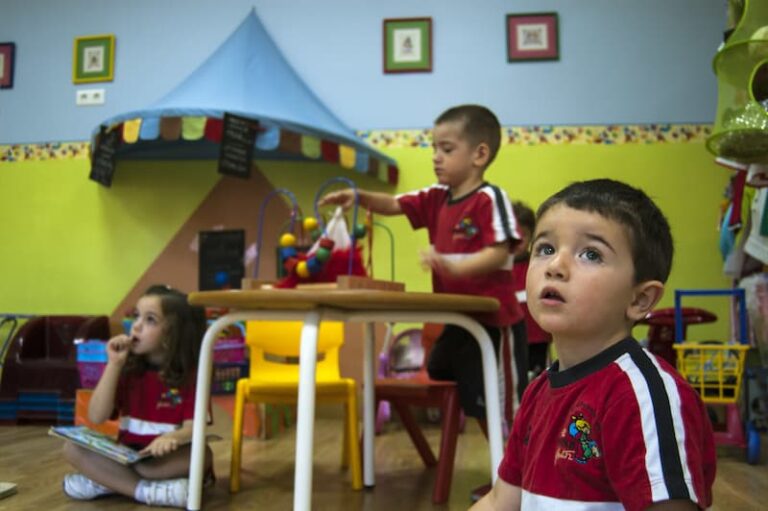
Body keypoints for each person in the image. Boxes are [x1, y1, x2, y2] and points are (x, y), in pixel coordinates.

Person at [472, 179, 716, 510]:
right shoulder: (537, 392)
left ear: (640, 298)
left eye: (591, 254)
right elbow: (501, 500)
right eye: (545, 248)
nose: (556, 266)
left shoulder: (639, 395)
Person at [319, 104, 528, 431]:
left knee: (504, 410)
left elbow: (500, 251)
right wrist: (358, 197)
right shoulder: (436, 197)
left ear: (479, 155)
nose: (435, 157)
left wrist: (456, 268)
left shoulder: (490, 198)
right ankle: (501, 475)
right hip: (458, 321)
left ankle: (519, 480)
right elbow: (392, 203)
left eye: (446, 149)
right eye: (433, 148)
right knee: (458, 383)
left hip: (494, 323)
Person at [61, 285, 212, 508]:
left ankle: (109, 481)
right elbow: (96, 416)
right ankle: (146, 491)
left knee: (202, 455)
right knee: (71, 448)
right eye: (136, 316)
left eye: (150, 320)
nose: (136, 326)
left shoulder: (193, 374)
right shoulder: (127, 367)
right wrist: (113, 364)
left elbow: (194, 427)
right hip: (127, 455)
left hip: (163, 460)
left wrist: (174, 438)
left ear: (173, 332)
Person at [511, 201, 552, 378]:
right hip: (509, 341)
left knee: (538, 382)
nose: (517, 240)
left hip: (537, 339)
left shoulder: (539, 266)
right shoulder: (495, 271)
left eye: (524, 235)